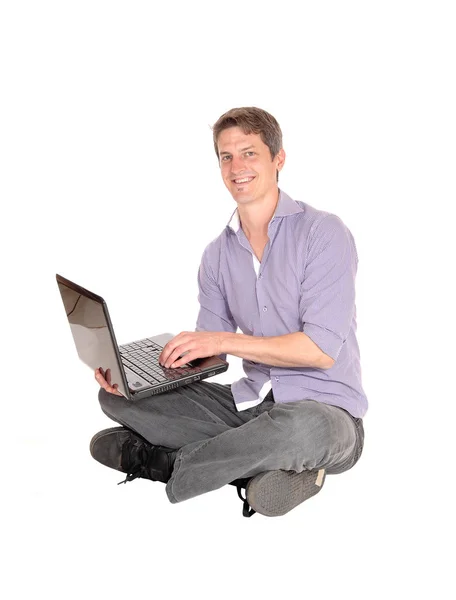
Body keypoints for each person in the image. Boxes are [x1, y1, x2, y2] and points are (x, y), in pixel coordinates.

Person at [91, 107, 367, 517]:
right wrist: (142, 375)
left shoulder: (323, 233)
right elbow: (212, 355)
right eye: (226, 156)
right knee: (118, 401)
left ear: (278, 159)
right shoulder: (217, 255)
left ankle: (168, 464)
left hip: (327, 414)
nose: (237, 166)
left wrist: (220, 340)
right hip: (250, 407)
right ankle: (263, 467)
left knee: (297, 428)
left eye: (249, 153)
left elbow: (319, 351)